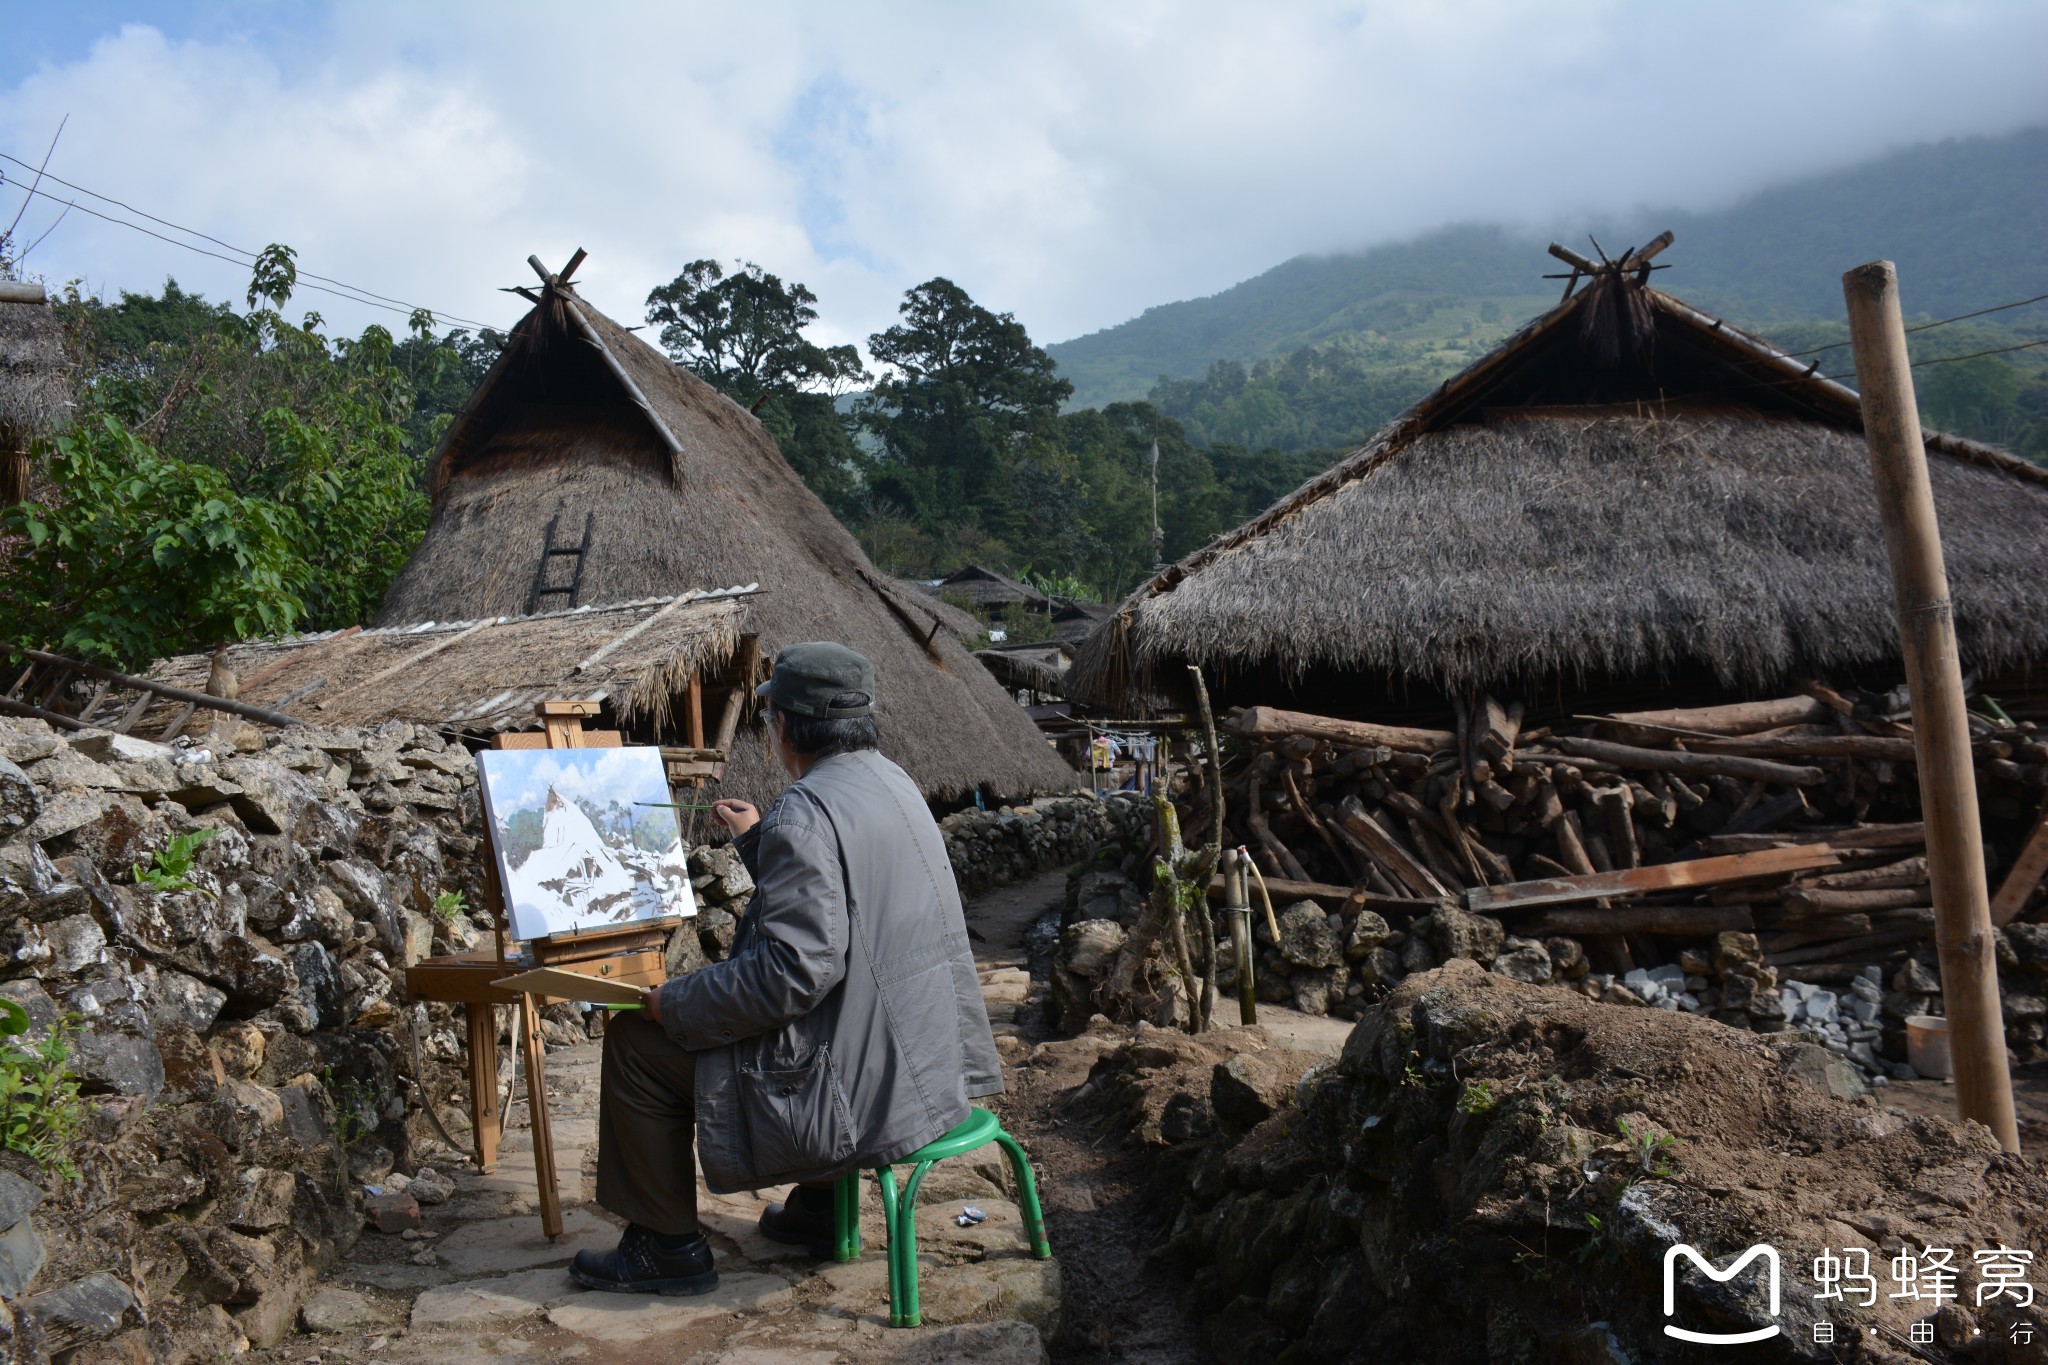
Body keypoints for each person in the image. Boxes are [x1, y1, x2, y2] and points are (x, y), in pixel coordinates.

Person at [571, 642, 1004, 1293]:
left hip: (857, 1093)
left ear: (783, 725)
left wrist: (676, 1002)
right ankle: (819, 1208)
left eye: (767, 716)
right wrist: (759, 839)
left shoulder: (805, 812)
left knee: (637, 1040)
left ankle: (665, 1247)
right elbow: (846, 899)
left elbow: (792, 973)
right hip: (916, 1069)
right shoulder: (894, 782)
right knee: (810, 1020)